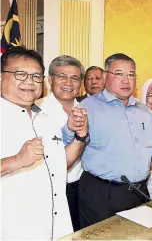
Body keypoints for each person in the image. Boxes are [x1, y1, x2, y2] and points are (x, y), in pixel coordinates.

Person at [62, 53, 152, 228]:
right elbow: (68, 141)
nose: (126, 80)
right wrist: (70, 127)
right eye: (119, 74)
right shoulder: (88, 107)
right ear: (105, 76)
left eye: (131, 75)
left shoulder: (143, 109)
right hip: (102, 193)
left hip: (139, 192)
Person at [1, 46, 87, 239]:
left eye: (35, 76)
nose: (29, 82)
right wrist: (17, 160)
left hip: (56, 227)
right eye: (20, 74)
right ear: (1, 77)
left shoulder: (45, 120)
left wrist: (80, 137)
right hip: (13, 231)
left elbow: (58, 165)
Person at [37, 55, 85, 231]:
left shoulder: (88, 108)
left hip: (83, 190)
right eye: (61, 76)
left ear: (80, 83)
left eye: (74, 78)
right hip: (49, 190)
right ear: (50, 80)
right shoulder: (36, 110)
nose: (68, 82)